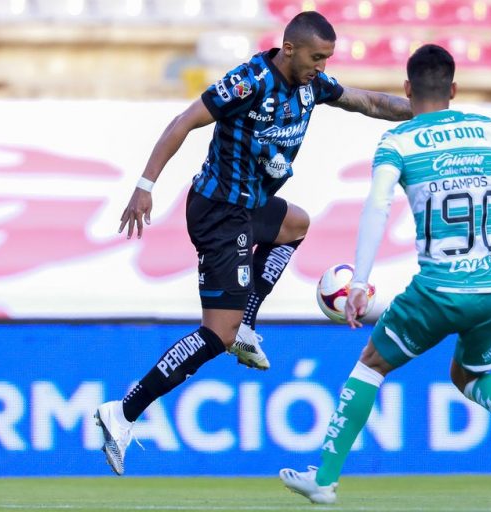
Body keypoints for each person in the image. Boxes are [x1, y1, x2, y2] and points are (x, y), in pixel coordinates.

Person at [93, 11, 412, 476]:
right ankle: (121, 413)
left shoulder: (312, 85)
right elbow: (183, 122)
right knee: (215, 336)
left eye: (327, 59)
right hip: (220, 212)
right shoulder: (247, 82)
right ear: (289, 48)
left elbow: (366, 102)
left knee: (297, 224)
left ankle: (245, 322)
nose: (321, 67)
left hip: (250, 208)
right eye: (316, 57)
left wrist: (422, 109)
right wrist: (145, 184)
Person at [279, 44, 491, 504]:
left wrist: (359, 283)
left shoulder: (398, 141)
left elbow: (377, 205)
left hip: (441, 287)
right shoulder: (487, 132)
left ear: (407, 90)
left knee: (371, 363)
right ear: (453, 89)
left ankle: (325, 480)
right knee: (469, 373)